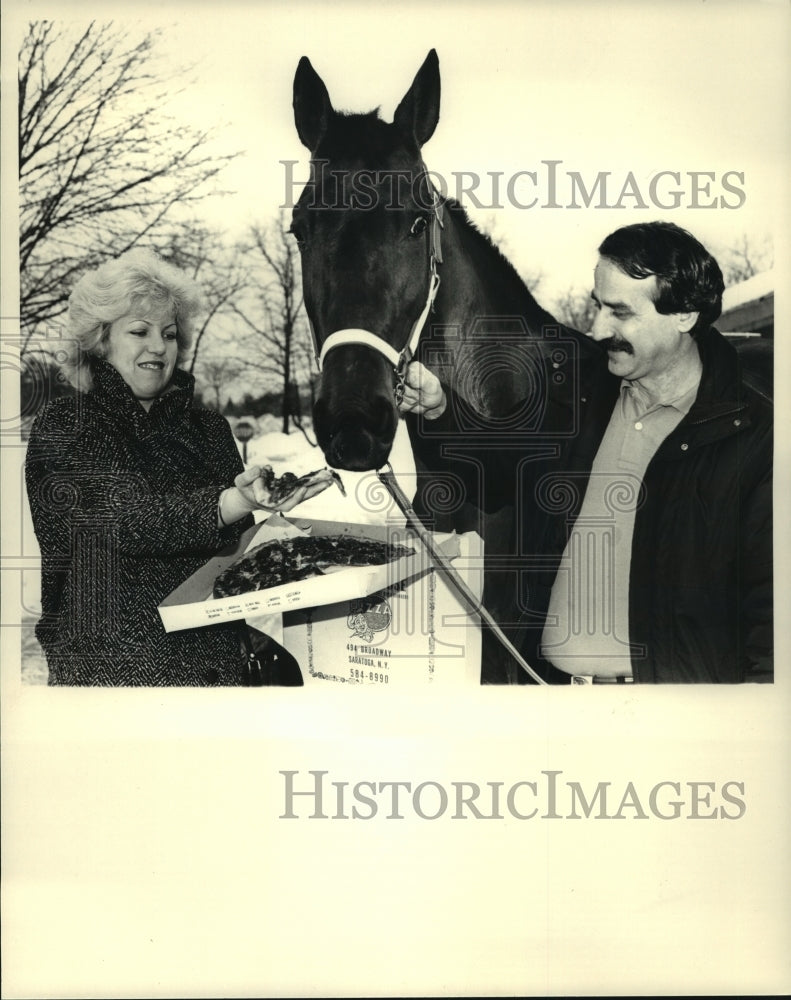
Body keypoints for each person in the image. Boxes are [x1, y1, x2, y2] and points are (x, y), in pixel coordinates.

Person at [400, 222, 773, 683]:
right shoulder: (581, 394)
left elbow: (772, 612)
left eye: (620, 313)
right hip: (555, 700)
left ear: (685, 315)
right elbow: (500, 477)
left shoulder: (755, 437)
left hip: (665, 719)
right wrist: (441, 411)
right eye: (599, 307)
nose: (599, 327)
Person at [25, 248, 335, 686]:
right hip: (111, 679)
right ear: (100, 340)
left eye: (169, 334)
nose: (158, 346)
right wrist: (232, 501)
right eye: (139, 331)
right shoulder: (66, 423)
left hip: (216, 673)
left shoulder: (208, 428)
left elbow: (231, 551)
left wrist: (285, 528)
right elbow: (127, 519)